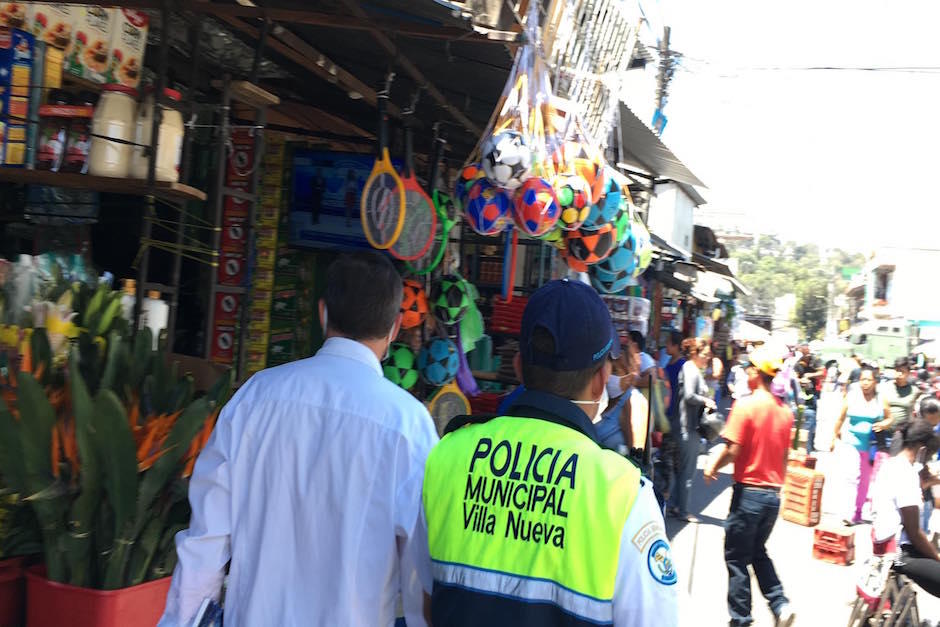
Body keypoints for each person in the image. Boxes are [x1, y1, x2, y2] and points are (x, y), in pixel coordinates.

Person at [159, 252, 439, 627]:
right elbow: (421, 570)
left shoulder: (256, 397)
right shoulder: (408, 425)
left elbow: (205, 540)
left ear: (323, 313)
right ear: (395, 328)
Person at [421, 279, 678, 626]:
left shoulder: (445, 456)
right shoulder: (625, 495)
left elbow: (425, 603)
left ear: (518, 367)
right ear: (601, 381)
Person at [703, 348, 796, 627]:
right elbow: (784, 457)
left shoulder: (745, 405)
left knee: (736, 557)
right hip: (772, 495)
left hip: (749, 495)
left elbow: (733, 450)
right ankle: (780, 604)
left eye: (749, 368)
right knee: (756, 551)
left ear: (757, 372)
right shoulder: (785, 413)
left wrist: (712, 466)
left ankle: (741, 620)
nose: (745, 372)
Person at [870, 419, 940, 598]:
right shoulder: (906, 473)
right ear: (922, 450)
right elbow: (914, 533)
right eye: (928, 455)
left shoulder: (890, 464)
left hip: (883, 544)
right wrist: (937, 557)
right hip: (901, 554)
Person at [831, 367, 893, 525]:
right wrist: (834, 436)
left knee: (865, 480)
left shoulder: (881, 399)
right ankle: (848, 512)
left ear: (875, 382)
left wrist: (884, 424)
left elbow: (890, 418)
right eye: (862, 380)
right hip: (851, 442)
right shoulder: (851, 396)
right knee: (851, 476)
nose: (865, 383)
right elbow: (840, 418)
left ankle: (858, 512)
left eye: (869, 380)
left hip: (870, 446)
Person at [667, 338, 716, 523]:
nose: (707, 358)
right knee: (687, 472)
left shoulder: (693, 369)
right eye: (705, 355)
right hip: (687, 427)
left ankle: (674, 505)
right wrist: (706, 400)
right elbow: (689, 395)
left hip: (688, 426)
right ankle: (683, 511)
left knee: (683, 470)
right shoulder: (690, 368)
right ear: (695, 353)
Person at [655, 330, 686, 506]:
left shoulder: (683, 366)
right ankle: (669, 498)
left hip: (676, 420)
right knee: (667, 459)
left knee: (671, 461)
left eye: (668, 343)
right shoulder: (669, 363)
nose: (665, 346)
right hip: (666, 418)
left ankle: (670, 499)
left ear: (675, 346)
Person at [884, 357, 921, 442]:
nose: (899, 374)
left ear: (908, 373)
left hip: (903, 435)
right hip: (884, 433)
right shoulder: (884, 387)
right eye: (897, 370)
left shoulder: (915, 391)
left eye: (902, 371)